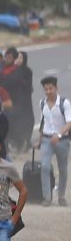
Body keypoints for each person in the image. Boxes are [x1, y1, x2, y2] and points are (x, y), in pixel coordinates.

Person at [39, 75, 70, 207]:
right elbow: (42, 122)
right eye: (46, 89)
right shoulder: (42, 103)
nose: (48, 92)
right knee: (45, 167)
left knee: (62, 169)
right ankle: (47, 196)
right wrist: (39, 140)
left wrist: (58, 134)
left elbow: (69, 123)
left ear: (56, 88)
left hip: (61, 140)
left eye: (50, 88)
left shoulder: (64, 103)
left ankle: (61, 196)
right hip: (46, 139)